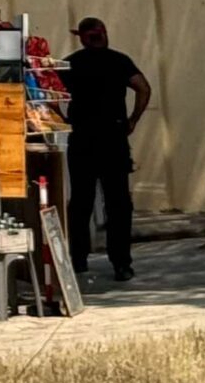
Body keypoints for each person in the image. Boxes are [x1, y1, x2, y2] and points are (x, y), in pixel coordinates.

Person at [60, 17, 151, 282]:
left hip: (83, 139)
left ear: (82, 38)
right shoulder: (119, 61)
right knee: (118, 204)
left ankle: (78, 260)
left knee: (81, 203)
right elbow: (143, 88)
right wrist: (133, 119)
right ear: (105, 34)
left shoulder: (71, 63)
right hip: (114, 138)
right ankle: (121, 263)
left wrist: (63, 119)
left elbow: (47, 92)